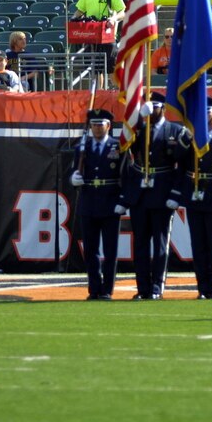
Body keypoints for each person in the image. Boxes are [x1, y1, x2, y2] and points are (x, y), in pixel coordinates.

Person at [117, 92, 188, 299]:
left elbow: (180, 164)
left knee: (159, 243)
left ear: (162, 108)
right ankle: (143, 289)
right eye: (148, 107)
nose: (151, 111)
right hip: (140, 194)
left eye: (154, 107)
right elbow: (126, 148)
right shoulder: (138, 130)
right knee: (139, 244)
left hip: (162, 192)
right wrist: (138, 119)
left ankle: (157, 287)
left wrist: (175, 194)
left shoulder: (175, 131)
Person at [168, 97, 212, 299]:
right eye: (201, 111)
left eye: (208, 111)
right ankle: (202, 287)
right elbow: (178, 162)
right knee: (197, 244)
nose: (204, 115)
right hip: (194, 194)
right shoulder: (191, 138)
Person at [69, 108, 123, 300]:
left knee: (110, 250)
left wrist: (122, 200)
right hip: (89, 201)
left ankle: (107, 289)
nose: (97, 128)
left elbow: (124, 176)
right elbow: (76, 170)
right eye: (94, 125)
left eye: (100, 125)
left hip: (110, 202)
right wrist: (74, 177)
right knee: (91, 250)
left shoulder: (118, 147)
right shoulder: (82, 148)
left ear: (108, 125)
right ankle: (94, 288)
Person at [73, 0, 125, 79]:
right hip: (91, 35)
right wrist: (73, 19)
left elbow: (122, 12)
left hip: (108, 36)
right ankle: (97, 94)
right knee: (95, 70)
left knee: (111, 68)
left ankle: (116, 93)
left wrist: (113, 18)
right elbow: (79, 11)